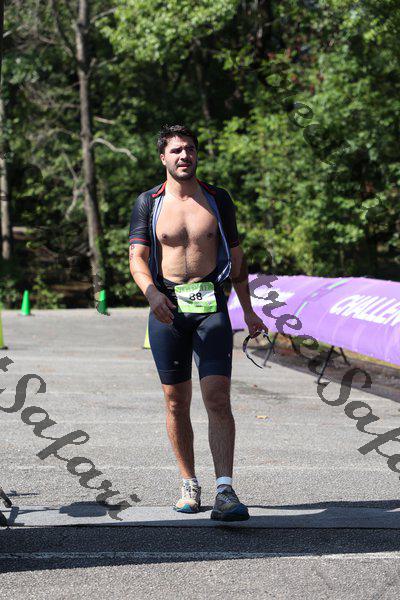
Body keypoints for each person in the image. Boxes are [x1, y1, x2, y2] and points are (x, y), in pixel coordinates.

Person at [129, 124, 268, 521]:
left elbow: (236, 259)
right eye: (176, 150)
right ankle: (189, 482)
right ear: (163, 157)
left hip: (210, 306)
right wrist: (151, 293)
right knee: (176, 401)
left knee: (218, 398)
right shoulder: (148, 202)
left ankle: (225, 489)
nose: (184, 156)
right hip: (167, 308)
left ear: (197, 154)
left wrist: (249, 310)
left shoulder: (218, 199)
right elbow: (137, 258)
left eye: (189, 149)